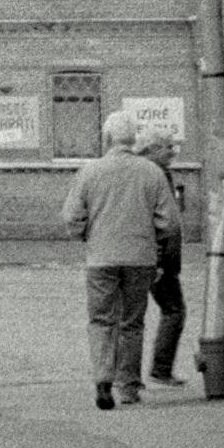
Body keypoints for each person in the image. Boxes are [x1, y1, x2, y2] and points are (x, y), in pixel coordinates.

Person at [62, 110, 180, 410]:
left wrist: (85, 235)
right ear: (132, 140)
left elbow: (72, 216)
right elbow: (169, 222)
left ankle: (103, 380)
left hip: (101, 258)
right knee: (132, 323)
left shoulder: (89, 171)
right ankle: (128, 387)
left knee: (102, 320)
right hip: (140, 259)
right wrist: (153, 242)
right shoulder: (152, 172)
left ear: (107, 139)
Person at [135, 127, 187, 386]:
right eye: (168, 147)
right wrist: (159, 260)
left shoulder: (149, 172)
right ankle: (161, 369)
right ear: (153, 150)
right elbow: (156, 220)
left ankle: (131, 376)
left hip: (153, 254)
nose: (173, 152)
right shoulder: (154, 175)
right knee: (174, 310)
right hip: (158, 257)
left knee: (132, 316)